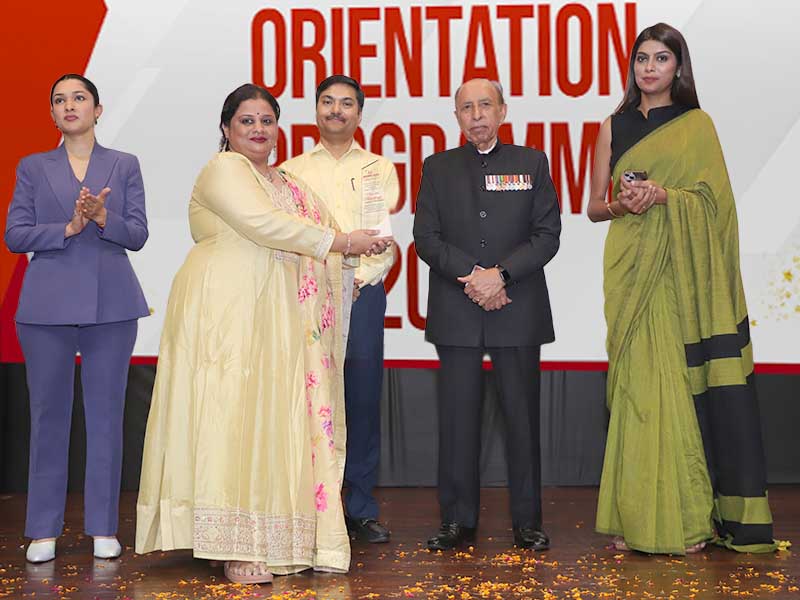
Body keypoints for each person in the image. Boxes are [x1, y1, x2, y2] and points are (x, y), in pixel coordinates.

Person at [135, 83, 391, 584]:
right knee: (226, 415)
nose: (258, 129)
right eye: (246, 120)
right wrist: (342, 242)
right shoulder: (224, 169)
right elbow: (264, 224)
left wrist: (360, 250)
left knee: (266, 421)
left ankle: (267, 535)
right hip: (224, 311)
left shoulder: (286, 182)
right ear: (226, 128)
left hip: (274, 314)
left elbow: (323, 225)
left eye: (267, 120)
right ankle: (230, 544)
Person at [588, 23, 777, 555]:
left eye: (661, 59)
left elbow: (716, 203)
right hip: (630, 269)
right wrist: (623, 203)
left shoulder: (697, 125)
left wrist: (664, 195)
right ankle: (633, 517)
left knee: (672, 387)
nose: (649, 68)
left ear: (678, 67)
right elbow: (594, 207)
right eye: (641, 58)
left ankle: (689, 519)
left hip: (678, 274)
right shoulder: (612, 126)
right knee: (634, 391)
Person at [5, 73, 149, 563]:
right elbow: (15, 234)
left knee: (106, 416)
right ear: (52, 113)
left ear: (97, 109)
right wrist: (66, 227)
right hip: (46, 307)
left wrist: (103, 219)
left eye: (79, 98)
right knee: (49, 416)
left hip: (112, 305)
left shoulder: (124, 164)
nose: (70, 106)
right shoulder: (32, 166)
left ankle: (103, 526)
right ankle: (43, 529)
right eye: (60, 100)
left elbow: (138, 234)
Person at [413, 78, 561, 552]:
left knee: (522, 419)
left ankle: (528, 523)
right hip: (458, 309)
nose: (476, 115)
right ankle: (457, 521)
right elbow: (426, 238)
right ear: (456, 116)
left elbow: (547, 235)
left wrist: (501, 276)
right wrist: (475, 276)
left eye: (484, 105)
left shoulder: (530, 163)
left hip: (516, 307)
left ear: (502, 111)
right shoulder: (437, 167)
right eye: (466, 107)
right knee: (458, 420)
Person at [282, 75, 399, 544]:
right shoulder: (291, 171)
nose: (336, 110)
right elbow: (290, 236)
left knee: (362, 398)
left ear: (359, 113)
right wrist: (325, 284)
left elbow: (382, 240)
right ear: (315, 110)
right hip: (307, 296)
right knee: (309, 397)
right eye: (327, 101)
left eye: (346, 103)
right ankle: (311, 505)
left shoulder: (377, 168)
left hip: (361, 294)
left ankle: (361, 507)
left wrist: (354, 281)